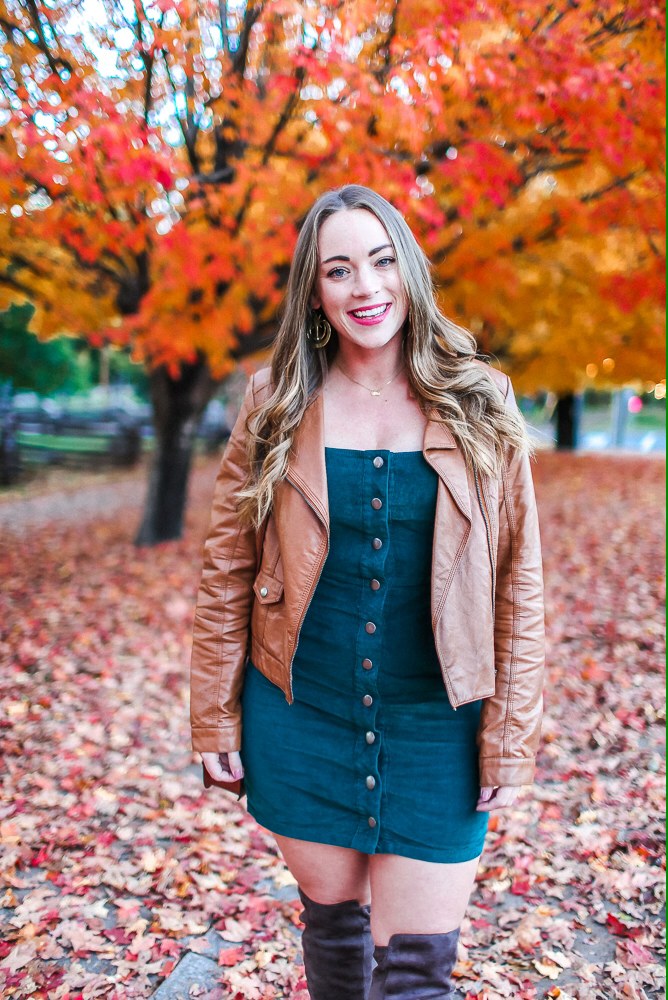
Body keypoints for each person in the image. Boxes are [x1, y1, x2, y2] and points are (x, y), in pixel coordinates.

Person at [190, 184, 545, 999]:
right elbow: (227, 565)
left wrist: (509, 736)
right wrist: (213, 708)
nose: (366, 287)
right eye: (339, 270)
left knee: (416, 976)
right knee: (337, 942)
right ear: (314, 292)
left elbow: (518, 581)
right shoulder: (274, 402)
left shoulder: (480, 400)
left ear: (408, 271)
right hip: (302, 712)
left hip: (439, 723)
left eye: (382, 261)